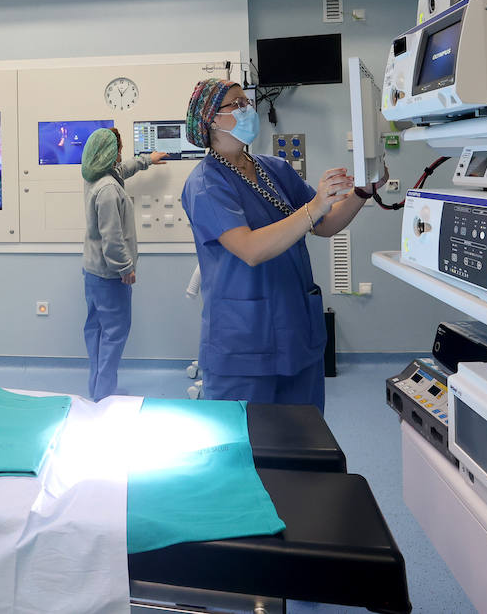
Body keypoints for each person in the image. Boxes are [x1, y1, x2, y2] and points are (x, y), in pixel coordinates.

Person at [180, 78, 381, 409]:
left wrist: (362, 191)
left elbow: (325, 225)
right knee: (250, 449)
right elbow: (251, 249)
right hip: (244, 343)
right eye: (237, 105)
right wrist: (315, 206)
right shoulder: (205, 183)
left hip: (296, 331)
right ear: (212, 119)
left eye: (248, 103)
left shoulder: (274, 169)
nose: (248, 110)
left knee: (305, 444)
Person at [80, 128, 166, 400]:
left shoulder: (96, 177)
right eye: (117, 150)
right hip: (109, 276)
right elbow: (112, 237)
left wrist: (146, 160)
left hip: (93, 272)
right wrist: (125, 267)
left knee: (96, 331)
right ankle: (104, 396)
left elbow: (122, 170)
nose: (119, 156)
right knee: (114, 336)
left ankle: (97, 389)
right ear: (109, 153)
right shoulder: (107, 190)